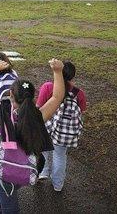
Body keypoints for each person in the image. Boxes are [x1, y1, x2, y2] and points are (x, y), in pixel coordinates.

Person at [0, 59, 66, 213]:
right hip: (27, 167)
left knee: (10, 207)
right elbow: (57, 97)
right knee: (10, 192)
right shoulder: (39, 116)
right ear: (32, 96)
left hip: (4, 169)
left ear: (10, 94)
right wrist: (57, 72)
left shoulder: (1, 111)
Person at [36, 61, 87, 192]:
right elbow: (81, 112)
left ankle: (42, 173)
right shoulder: (79, 93)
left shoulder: (48, 87)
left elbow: (39, 108)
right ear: (73, 76)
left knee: (43, 151)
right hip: (63, 132)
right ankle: (58, 184)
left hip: (46, 128)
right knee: (60, 156)